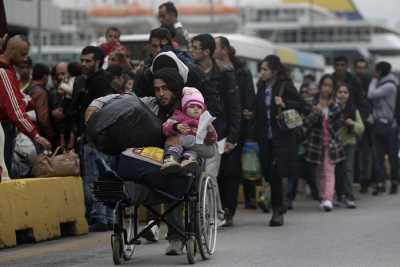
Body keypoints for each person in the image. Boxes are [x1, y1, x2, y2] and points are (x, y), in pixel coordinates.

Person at [190, 33, 241, 224]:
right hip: (196, 130)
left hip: (218, 131)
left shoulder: (225, 73)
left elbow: (234, 105)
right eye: (191, 47)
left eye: (195, 48)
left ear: (206, 51)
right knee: (201, 175)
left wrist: (233, 136)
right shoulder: (191, 72)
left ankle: (215, 214)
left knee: (210, 175)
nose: (192, 51)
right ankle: (217, 212)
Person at [255, 55, 307, 226]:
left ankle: (277, 211)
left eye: (265, 70)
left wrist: (284, 103)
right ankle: (280, 202)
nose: (261, 73)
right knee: (268, 173)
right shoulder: (261, 86)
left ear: (274, 70)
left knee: (277, 173)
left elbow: (301, 104)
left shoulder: (285, 84)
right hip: (265, 137)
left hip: (282, 136)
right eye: (261, 69)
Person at [71, 45, 114, 231]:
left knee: (101, 178)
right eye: (82, 60)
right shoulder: (81, 81)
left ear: (98, 62)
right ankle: (102, 217)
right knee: (94, 179)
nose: (84, 64)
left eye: (88, 61)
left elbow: (102, 111)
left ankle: (104, 217)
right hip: (87, 138)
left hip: (100, 138)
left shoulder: (103, 81)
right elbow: (76, 109)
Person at [0, 35, 51, 174]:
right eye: (23, 54)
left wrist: (27, 101)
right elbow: (15, 110)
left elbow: (16, 101)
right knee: (4, 175)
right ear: (12, 49)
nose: (25, 58)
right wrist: (36, 135)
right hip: (4, 129)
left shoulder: (8, 71)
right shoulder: (4, 71)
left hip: (7, 128)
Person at [303, 74, 345, 212]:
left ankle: (328, 198)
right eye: (324, 85)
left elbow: (339, 124)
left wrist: (331, 111)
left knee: (329, 171)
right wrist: (316, 112)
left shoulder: (335, 105)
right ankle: (322, 196)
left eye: (330, 86)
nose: (327, 88)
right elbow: (306, 123)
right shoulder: (312, 103)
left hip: (331, 144)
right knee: (319, 171)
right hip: (315, 144)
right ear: (320, 86)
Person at [161, 86, 217, 174]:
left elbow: (211, 141)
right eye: (192, 106)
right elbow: (165, 127)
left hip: (193, 148)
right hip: (176, 144)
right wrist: (176, 126)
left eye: (199, 107)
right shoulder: (178, 117)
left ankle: (187, 163)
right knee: (176, 148)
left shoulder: (204, 122)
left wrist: (211, 131)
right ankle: (170, 161)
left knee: (192, 153)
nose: (196, 109)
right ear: (185, 108)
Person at [368, 61, 398, 195]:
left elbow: (371, 94)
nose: (374, 72)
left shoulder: (389, 86)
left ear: (379, 71)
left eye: (375, 70)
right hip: (378, 123)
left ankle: (394, 182)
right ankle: (380, 184)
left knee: (392, 156)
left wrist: (374, 80)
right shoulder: (388, 84)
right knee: (378, 156)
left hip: (388, 125)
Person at [335, 83, 364, 208]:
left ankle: (349, 196)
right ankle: (338, 195)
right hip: (333, 144)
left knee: (347, 170)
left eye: (345, 92)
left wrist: (352, 124)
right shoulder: (333, 107)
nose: (342, 94)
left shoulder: (353, 109)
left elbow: (361, 128)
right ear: (336, 93)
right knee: (336, 171)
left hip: (348, 143)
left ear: (349, 95)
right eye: (340, 92)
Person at [353, 58, 373, 193]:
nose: (360, 70)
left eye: (363, 67)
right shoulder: (351, 82)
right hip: (353, 120)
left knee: (365, 153)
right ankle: (356, 179)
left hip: (366, 122)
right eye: (358, 67)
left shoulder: (371, 83)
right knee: (353, 152)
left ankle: (365, 181)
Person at [24, 63, 56, 145]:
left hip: (26, 131)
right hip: (38, 135)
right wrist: (52, 135)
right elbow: (43, 118)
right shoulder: (41, 92)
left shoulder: (27, 88)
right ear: (45, 77)